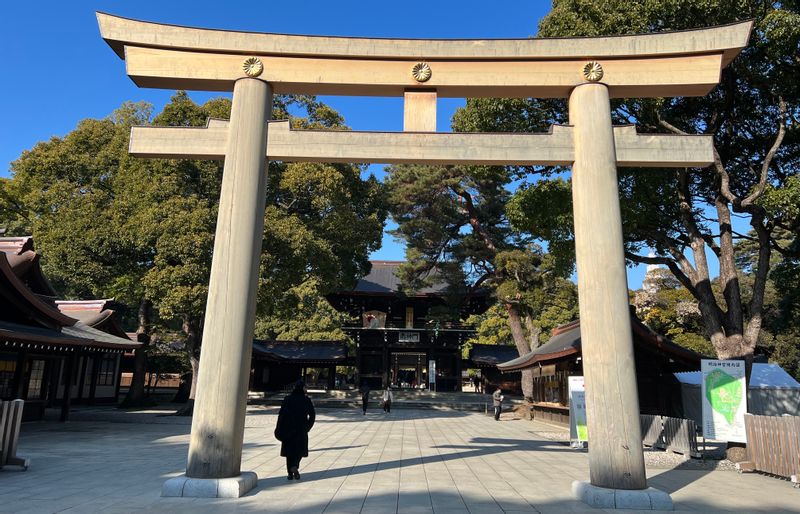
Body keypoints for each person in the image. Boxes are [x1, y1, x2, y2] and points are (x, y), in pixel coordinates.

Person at [274, 380, 315, 480]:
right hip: (301, 429)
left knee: (289, 452)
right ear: (302, 388)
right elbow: (312, 415)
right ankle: (295, 466)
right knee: (299, 451)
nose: (306, 389)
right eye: (305, 387)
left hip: (288, 429)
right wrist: (308, 426)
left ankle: (289, 473)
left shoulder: (287, 399)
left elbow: (281, 414)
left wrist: (279, 427)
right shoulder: (306, 400)